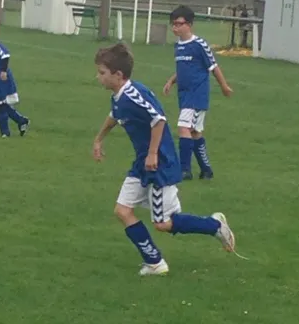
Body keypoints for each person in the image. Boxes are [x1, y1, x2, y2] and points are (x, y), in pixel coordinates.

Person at [92, 42, 240, 276]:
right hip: (142, 164)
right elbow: (114, 116)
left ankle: (216, 226)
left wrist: (152, 153)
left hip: (159, 164)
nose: (98, 77)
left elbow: (158, 119)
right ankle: (155, 262)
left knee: (163, 223)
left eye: (101, 73)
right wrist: (99, 139)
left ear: (118, 75)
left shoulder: (133, 94)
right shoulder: (119, 96)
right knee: (122, 210)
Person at [163, 5, 233, 181]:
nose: (175, 28)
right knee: (195, 133)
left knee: (183, 127)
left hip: (197, 95)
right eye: (173, 24)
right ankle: (206, 170)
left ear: (189, 24)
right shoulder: (178, 46)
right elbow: (184, 69)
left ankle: (184, 170)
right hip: (184, 94)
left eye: (179, 24)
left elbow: (213, 66)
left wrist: (224, 86)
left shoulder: (199, 44)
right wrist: (171, 81)